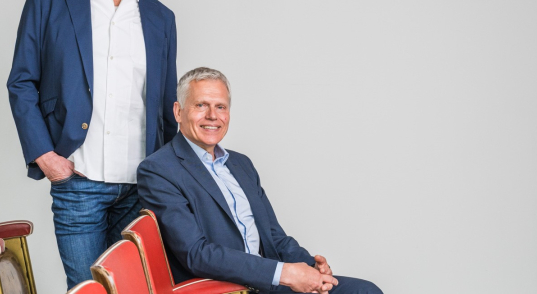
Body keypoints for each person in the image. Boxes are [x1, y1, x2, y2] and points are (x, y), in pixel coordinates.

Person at [7, 0, 178, 289]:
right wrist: (44, 155)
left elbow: (167, 109)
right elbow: (22, 80)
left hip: (142, 189)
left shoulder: (161, 18)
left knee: (136, 290)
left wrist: (171, 181)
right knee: (88, 290)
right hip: (78, 182)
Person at [137, 67, 381, 294]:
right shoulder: (159, 170)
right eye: (201, 105)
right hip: (224, 287)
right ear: (178, 111)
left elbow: (274, 236)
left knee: (365, 291)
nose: (212, 116)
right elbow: (196, 254)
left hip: (269, 281)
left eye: (221, 107)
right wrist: (284, 273)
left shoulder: (241, 164)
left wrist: (310, 267)